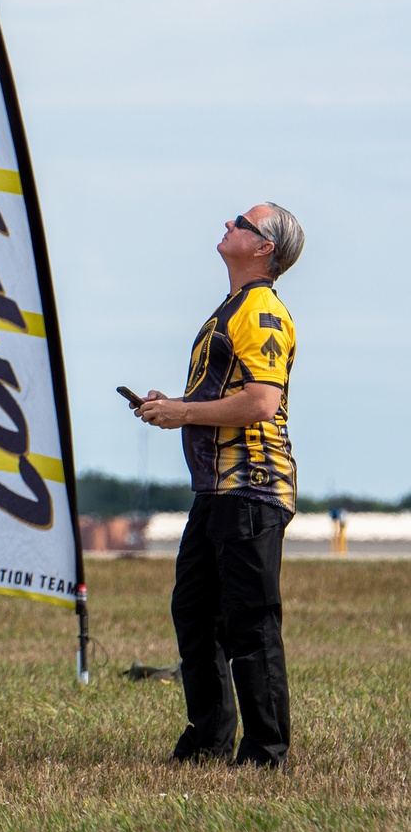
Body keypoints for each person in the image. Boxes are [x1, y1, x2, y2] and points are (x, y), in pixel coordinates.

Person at [135, 203, 305, 768]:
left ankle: (265, 753)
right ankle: (208, 741)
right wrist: (173, 406)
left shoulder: (261, 314)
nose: (228, 224)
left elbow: (261, 402)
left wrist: (181, 413)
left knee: (250, 623)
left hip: (251, 488)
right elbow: (216, 397)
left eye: (241, 222)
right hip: (217, 492)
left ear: (264, 249)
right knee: (195, 612)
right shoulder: (229, 311)